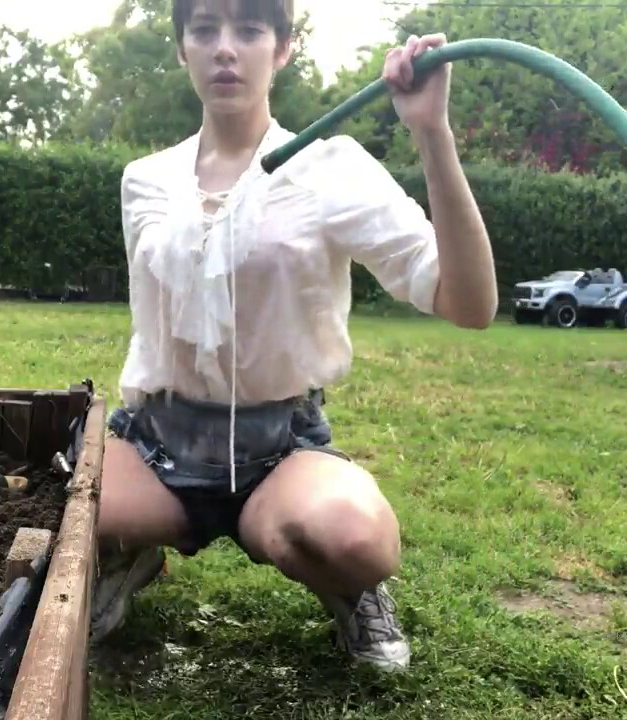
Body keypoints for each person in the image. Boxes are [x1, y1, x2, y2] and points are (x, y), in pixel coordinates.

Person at [91, 0, 497, 673]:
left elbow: (471, 303)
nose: (226, 48)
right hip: (159, 445)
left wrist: (432, 133)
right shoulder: (146, 180)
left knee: (356, 540)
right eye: (204, 30)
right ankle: (131, 550)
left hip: (279, 451)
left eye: (249, 30)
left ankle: (351, 589)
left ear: (282, 49)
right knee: (57, 504)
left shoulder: (328, 168)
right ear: (182, 48)